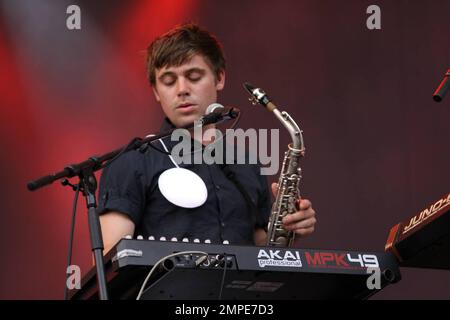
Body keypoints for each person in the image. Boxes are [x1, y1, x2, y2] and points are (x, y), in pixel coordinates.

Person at [97, 23, 316, 254]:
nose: (182, 89)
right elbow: (111, 262)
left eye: (194, 76)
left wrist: (289, 229)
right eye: (169, 81)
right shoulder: (131, 162)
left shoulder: (249, 164)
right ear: (155, 91)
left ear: (219, 78)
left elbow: (260, 250)